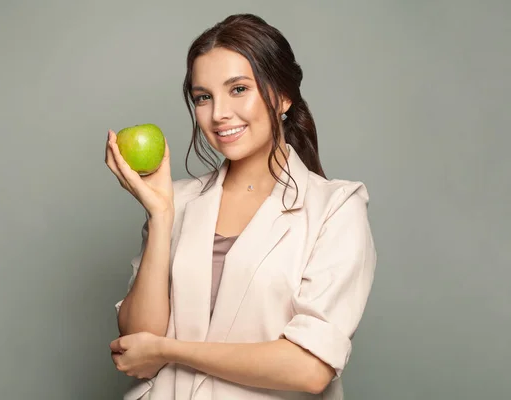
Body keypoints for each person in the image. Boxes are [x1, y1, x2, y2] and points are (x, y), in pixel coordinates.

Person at [106, 13, 377, 400]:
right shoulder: (176, 201)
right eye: (203, 97)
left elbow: (310, 367)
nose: (218, 114)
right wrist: (161, 216)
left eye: (238, 89)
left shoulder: (335, 208)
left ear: (282, 95)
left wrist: (170, 349)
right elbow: (138, 352)